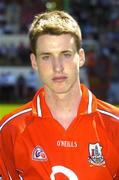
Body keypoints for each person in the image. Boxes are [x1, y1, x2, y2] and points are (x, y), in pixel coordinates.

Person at [0, 10, 119, 180]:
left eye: (66, 55)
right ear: (34, 62)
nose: (58, 67)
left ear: (82, 57)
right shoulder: (10, 130)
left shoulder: (115, 125)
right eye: (47, 56)